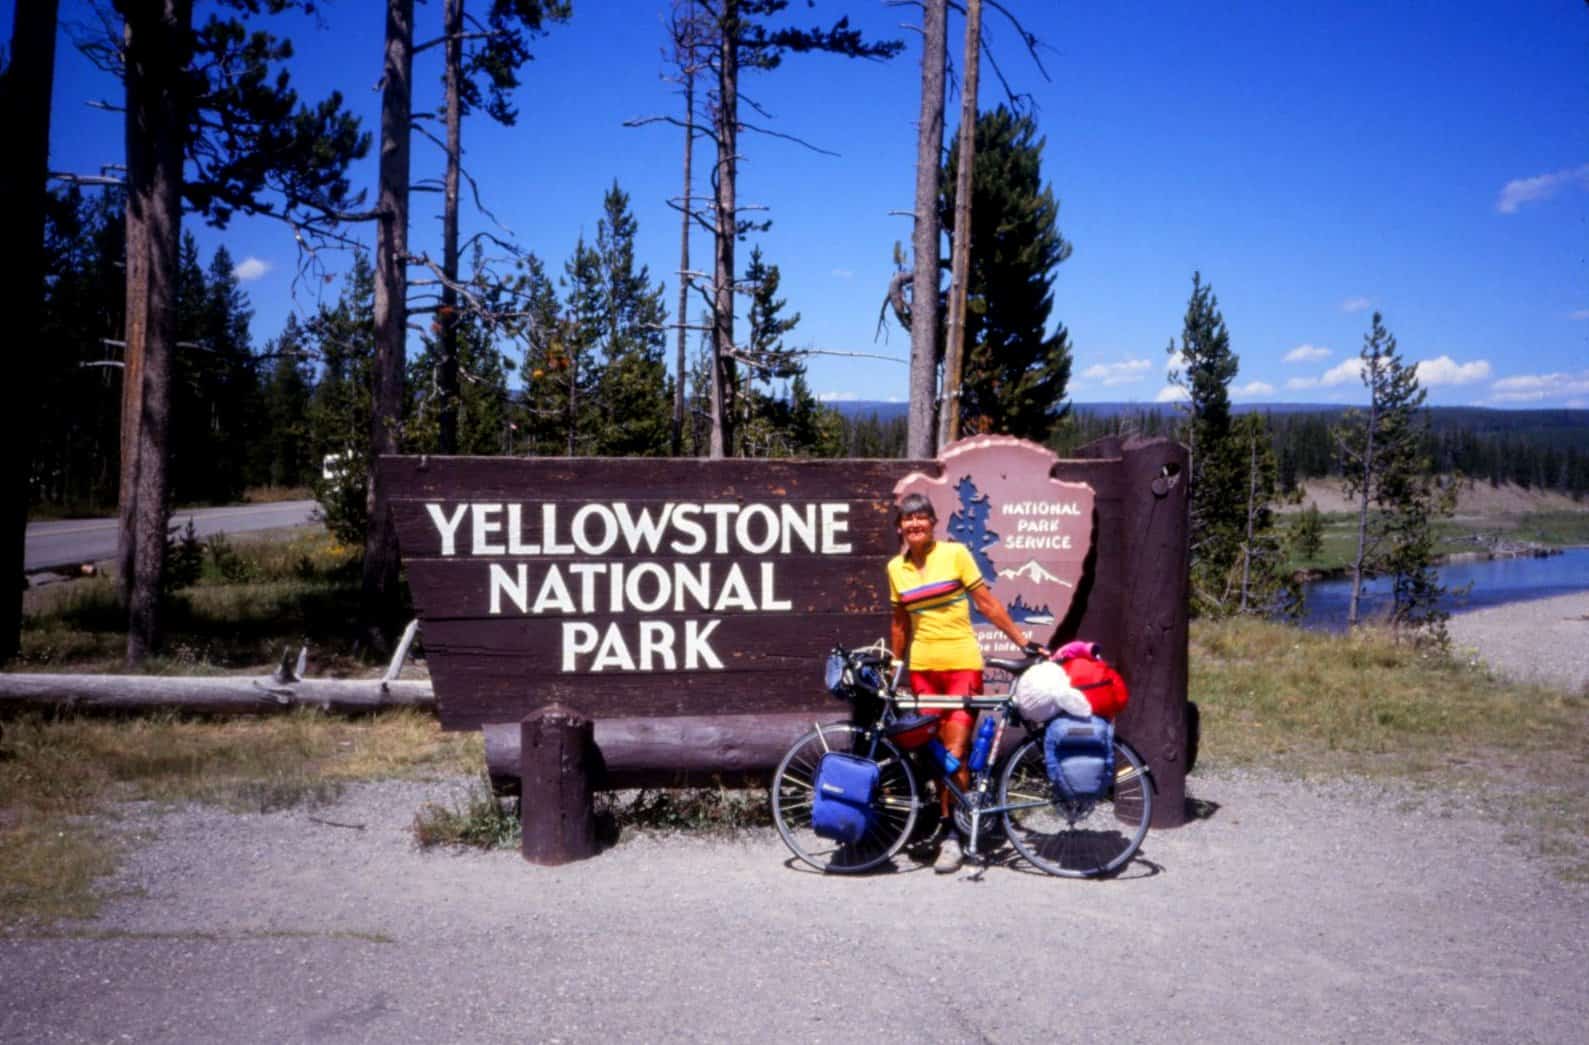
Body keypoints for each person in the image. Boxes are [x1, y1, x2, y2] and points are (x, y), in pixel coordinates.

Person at [887, 492, 1041, 873]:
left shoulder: (955, 555)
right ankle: (943, 825)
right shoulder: (895, 568)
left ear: (933, 523)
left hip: (960, 667)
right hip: (923, 670)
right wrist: (895, 666)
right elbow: (899, 622)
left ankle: (956, 835)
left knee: (955, 750)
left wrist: (1021, 640)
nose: (915, 524)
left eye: (922, 517)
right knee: (933, 752)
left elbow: (986, 604)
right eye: (908, 520)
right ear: (899, 528)